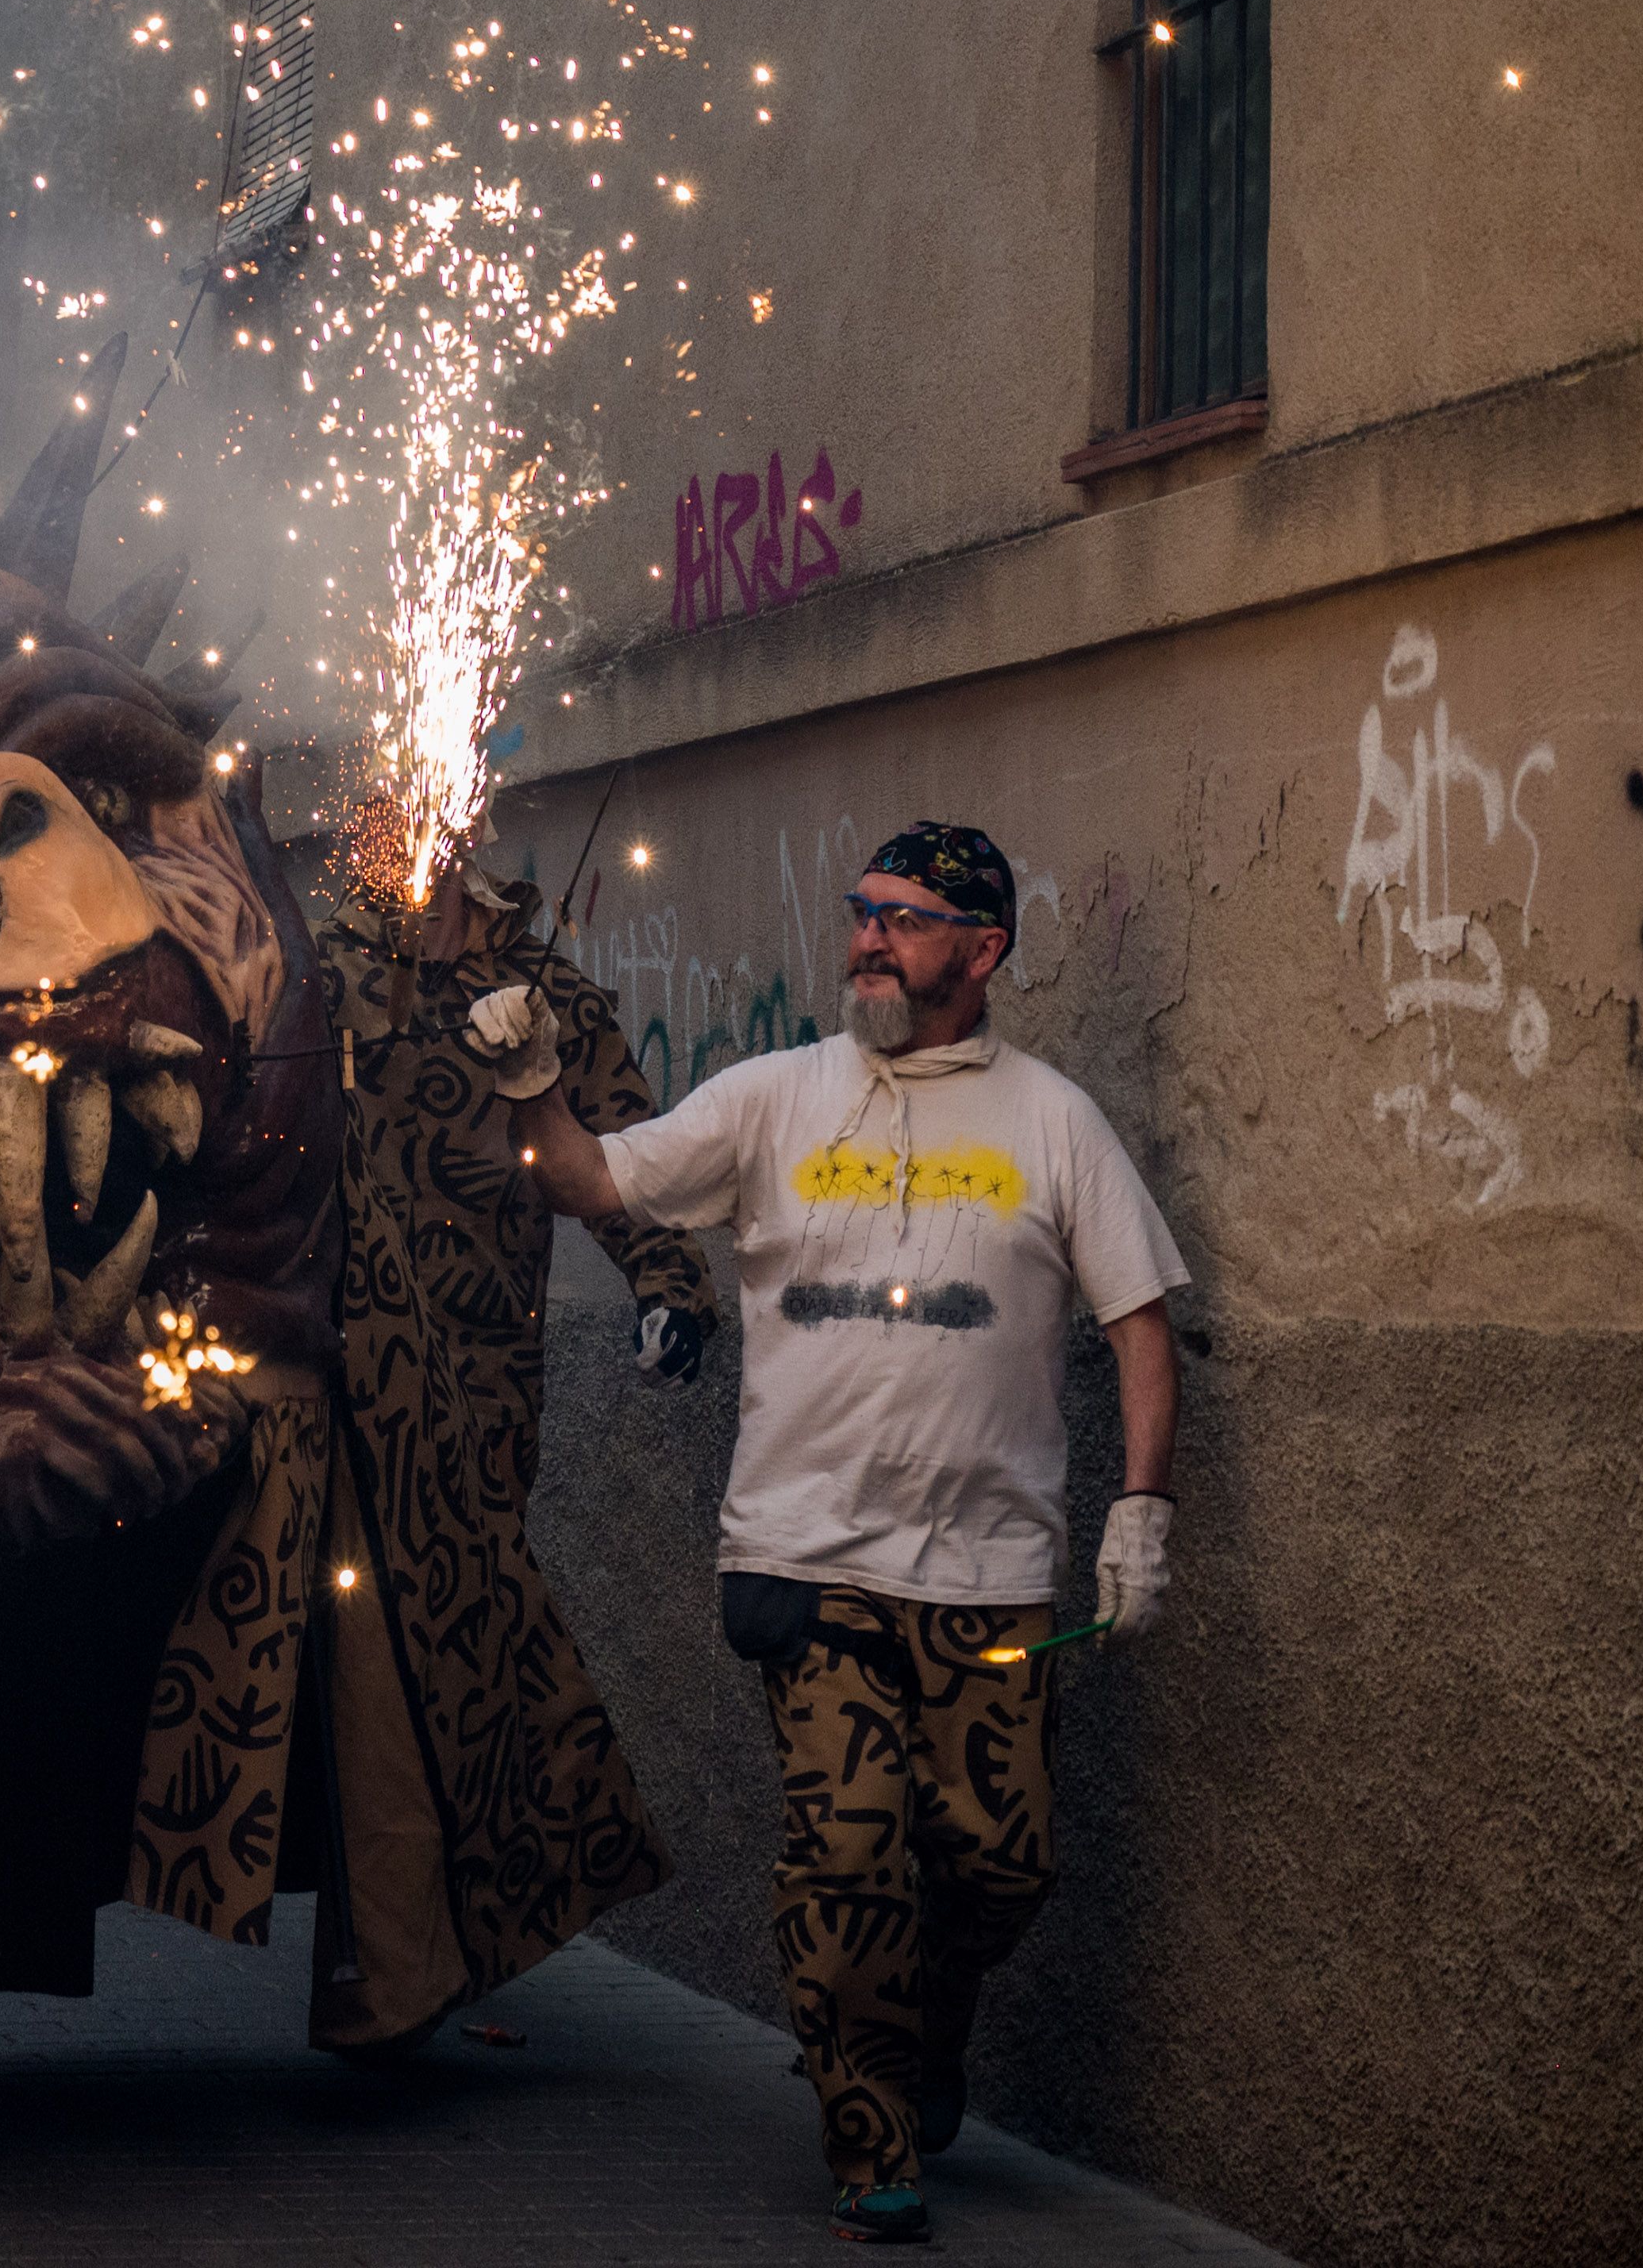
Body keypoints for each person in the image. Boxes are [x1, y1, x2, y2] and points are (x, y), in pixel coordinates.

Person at [480, 819, 1186, 2248]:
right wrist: (532, 1084)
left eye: (906, 919)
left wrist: (1141, 1514)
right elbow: (590, 1182)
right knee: (847, 1852)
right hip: (805, 1562)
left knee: (999, 1864)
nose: (868, 937)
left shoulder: (1050, 1120)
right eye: (862, 911)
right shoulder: (773, 1097)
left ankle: (919, 2030)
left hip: (990, 1578)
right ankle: (867, 2130)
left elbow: (1139, 1323)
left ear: (978, 951)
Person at [305, 796, 699, 2054]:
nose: (391, 882)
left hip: (474, 1393)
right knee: (362, 1663)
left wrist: (670, 1287)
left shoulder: (548, 1005)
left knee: (460, 1657)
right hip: (333, 1382)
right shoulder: (320, 993)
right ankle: (388, 1967)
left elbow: (626, 1161)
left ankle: (423, 1956)